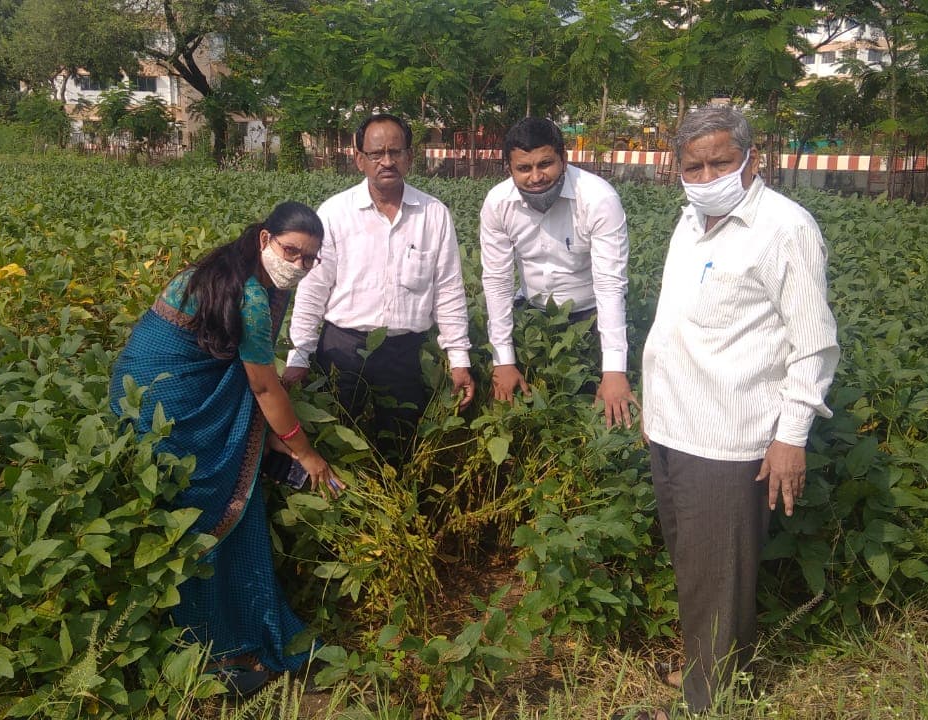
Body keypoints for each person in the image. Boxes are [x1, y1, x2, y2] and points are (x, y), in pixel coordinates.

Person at [631, 105, 839, 719]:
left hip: (727, 438)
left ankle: (709, 704)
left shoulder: (784, 229)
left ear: (752, 159)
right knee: (696, 568)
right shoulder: (689, 222)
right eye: (693, 167)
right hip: (672, 426)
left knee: (719, 578)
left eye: (720, 163)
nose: (706, 177)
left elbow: (813, 343)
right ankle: (709, 670)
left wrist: (790, 437)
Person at [109, 201, 345, 697]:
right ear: (264, 240)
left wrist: (272, 433)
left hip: (160, 388)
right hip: (170, 399)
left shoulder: (238, 271)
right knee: (200, 512)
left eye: (310, 258)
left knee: (207, 510)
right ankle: (208, 651)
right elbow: (262, 385)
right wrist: (304, 452)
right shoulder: (251, 294)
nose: (299, 265)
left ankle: (213, 640)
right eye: (291, 251)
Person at [282, 113, 475, 460]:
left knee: (400, 447)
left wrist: (459, 359)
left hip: (405, 354)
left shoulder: (434, 215)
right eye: (376, 153)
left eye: (396, 151)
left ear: (410, 157)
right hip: (342, 349)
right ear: (359, 159)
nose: (387, 161)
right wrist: (299, 355)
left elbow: (448, 291)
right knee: (337, 443)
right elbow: (313, 290)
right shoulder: (335, 213)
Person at [479, 117, 635, 426]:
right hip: (532, 316)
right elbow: (497, 281)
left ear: (564, 158)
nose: (536, 177)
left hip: (590, 317)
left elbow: (610, 285)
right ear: (509, 169)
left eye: (545, 164)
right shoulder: (498, 204)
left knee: (595, 415)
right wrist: (503, 359)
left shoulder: (598, 199)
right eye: (524, 168)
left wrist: (614, 370)